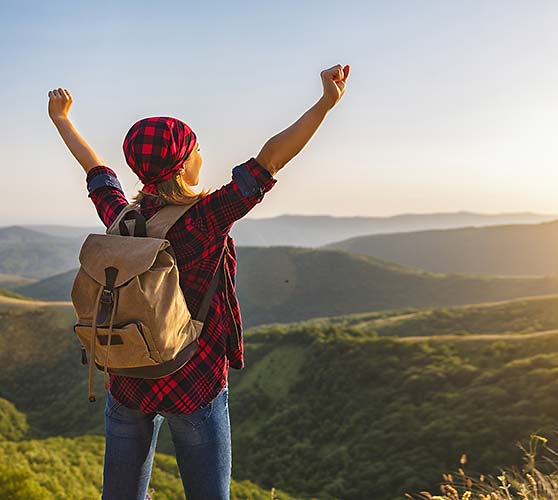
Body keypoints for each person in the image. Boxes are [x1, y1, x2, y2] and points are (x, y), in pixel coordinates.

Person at [47, 63, 350, 500]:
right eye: (196, 150)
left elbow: (97, 171)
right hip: (195, 382)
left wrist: (62, 119)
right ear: (186, 164)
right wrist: (325, 103)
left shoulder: (122, 216)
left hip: (128, 376)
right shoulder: (205, 221)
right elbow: (270, 161)